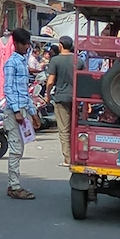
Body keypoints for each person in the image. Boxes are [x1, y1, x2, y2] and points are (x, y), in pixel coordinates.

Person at [3, 26, 39, 199]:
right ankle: (15, 186)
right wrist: (17, 111)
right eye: (24, 43)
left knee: (19, 149)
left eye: (27, 43)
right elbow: (8, 89)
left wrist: (32, 113)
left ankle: (13, 185)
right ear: (16, 43)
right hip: (13, 112)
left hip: (22, 110)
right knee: (16, 150)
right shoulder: (11, 63)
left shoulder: (22, 61)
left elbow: (23, 91)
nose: (26, 46)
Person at [46, 35, 77, 166]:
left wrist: (47, 94)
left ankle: (68, 159)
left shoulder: (55, 61)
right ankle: (76, 156)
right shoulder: (79, 61)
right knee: (75, 128)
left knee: (64, 130)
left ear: (60, 45)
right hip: (76, 98)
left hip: (61, 97)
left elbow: (50, 81)